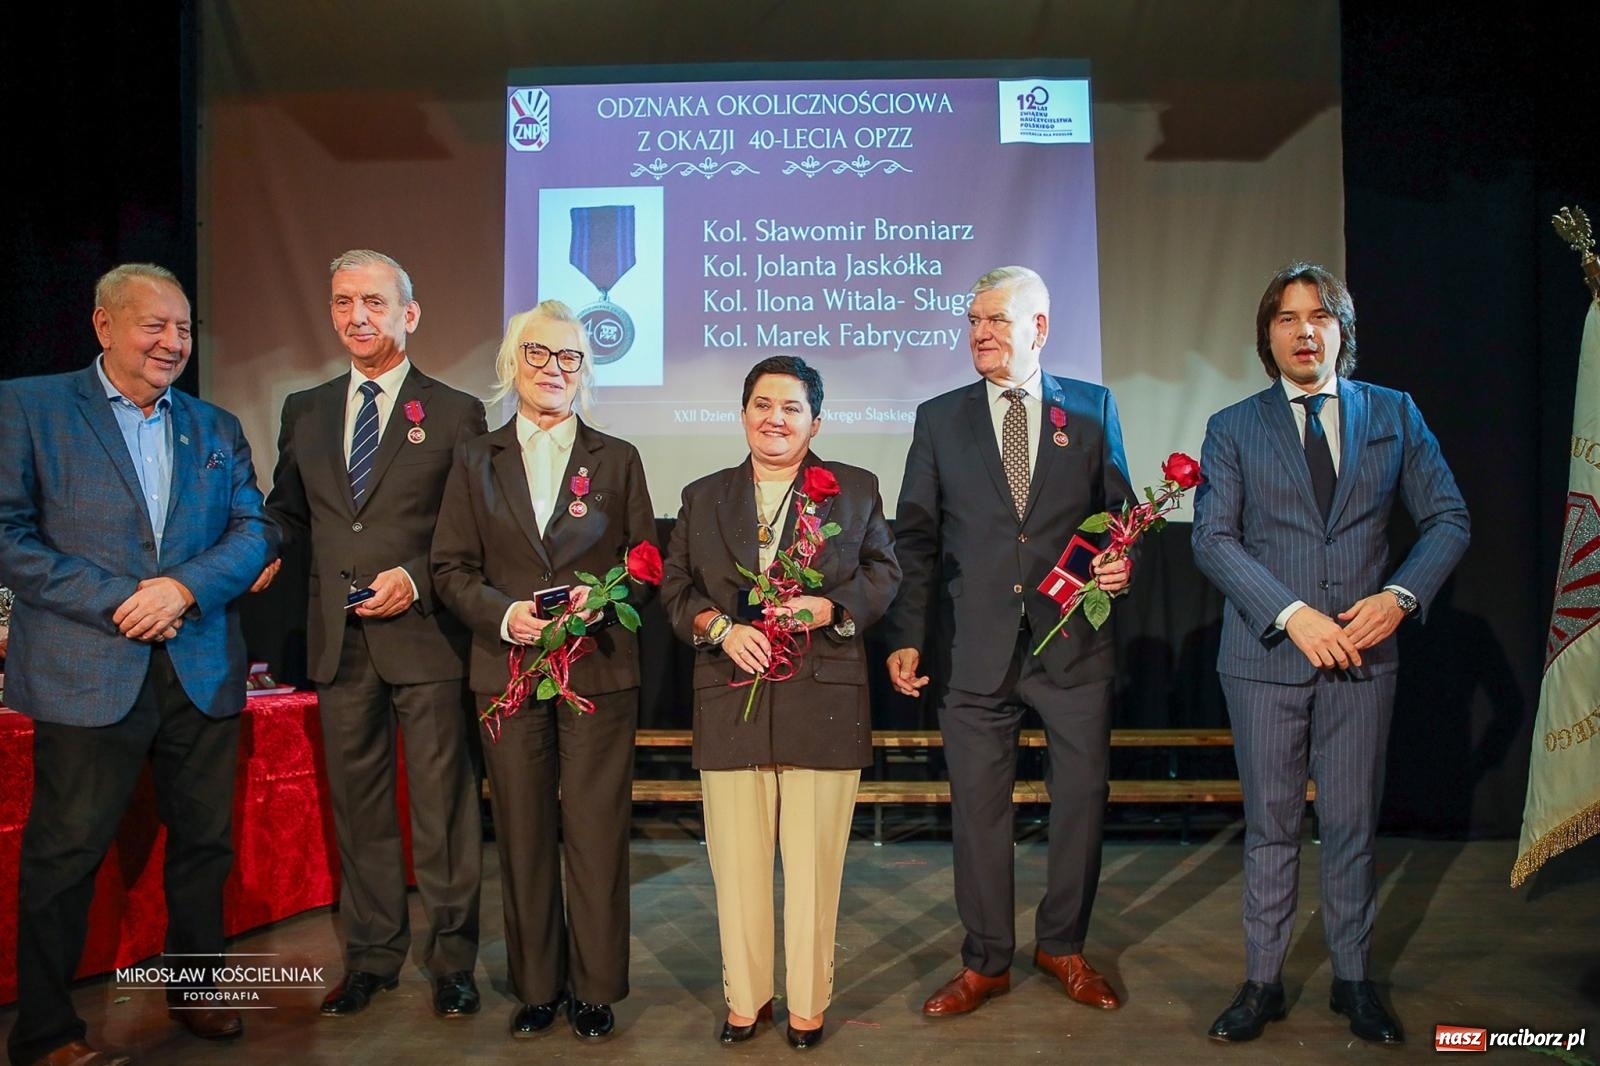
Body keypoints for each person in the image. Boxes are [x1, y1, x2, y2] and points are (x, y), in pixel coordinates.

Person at [0, 264, 277, 1066]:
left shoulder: (214, 425)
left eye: (183, 328)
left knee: (203, 847)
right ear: (103, 325)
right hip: (88, 668)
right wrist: (125, 600)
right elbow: (9, 536)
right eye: (154, 325)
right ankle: (46, 1032)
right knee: (65, 855)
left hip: (200, 668)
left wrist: (182, 589)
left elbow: (255, 530)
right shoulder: (29, 407)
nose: (172, 342)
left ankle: (195, 991)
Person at [1191, 262, 1469, 1045]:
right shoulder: (1233, 426)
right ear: (1267, 336)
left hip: (1361, 658)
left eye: (1319, 316)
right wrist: (1292, 615)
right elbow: (1213, 538)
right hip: (1264, 660)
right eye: (1286, 318)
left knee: (1349, 825)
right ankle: (1262, 982)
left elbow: (1448, 518)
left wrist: (1399, 596)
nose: (1304, 330)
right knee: (1271, 828)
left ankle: (1353, 980)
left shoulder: (1394, 412)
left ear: (1341, 331)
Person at [886, 265, 1133, 1018]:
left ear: (1039, 328)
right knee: (978, 812)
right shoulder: (940, 417)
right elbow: (916, 538)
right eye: (973, 321)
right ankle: (986, 960)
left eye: (996, 320)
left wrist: (1120, 562)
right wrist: (907, 636)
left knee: (1081, 802)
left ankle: (1063, 945)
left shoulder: (1091, 409)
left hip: (1072, 645)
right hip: (973, 647)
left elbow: (1120, 517)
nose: (981, 333)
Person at [258, 249, 487, 1019]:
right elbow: (287, 512)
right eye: (343, 302)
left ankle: (452, 964)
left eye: (375, 303)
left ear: (409, 315)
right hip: (339, 639)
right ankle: (371, 958)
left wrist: (416, 577)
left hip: (426, 637)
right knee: (359, 811)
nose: (358, 316)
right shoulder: (305, 409)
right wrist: (253, 549)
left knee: (442, 811)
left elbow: (470, 528)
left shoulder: (455, 412)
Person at [431, 300, 658, 1040]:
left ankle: (595, 989)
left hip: (596, 672)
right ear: (512, 362)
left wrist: (604, 600)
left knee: (595, 833)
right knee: (523, 832)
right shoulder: (475, 458)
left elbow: (644, 563)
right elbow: (450, 567)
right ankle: (536, 987)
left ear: (584, 371)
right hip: (506, 670)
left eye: (569, 358)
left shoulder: (617, 457)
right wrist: (504, 615)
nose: (553, 369)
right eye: (538, 353)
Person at [662, 355, 900, 1049]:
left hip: (823, 698)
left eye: (792, 408)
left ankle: (808, 1005)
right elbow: (674, 587)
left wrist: (831, 606)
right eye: (762, 405)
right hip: (730, 693)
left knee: (814, 870)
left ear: (815, 422)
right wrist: (719, 628)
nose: (775, 419)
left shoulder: (854, 489)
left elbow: (885, 571)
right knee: (736, 868)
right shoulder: (703, 495)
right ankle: (747, 1000)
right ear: (742, 415)